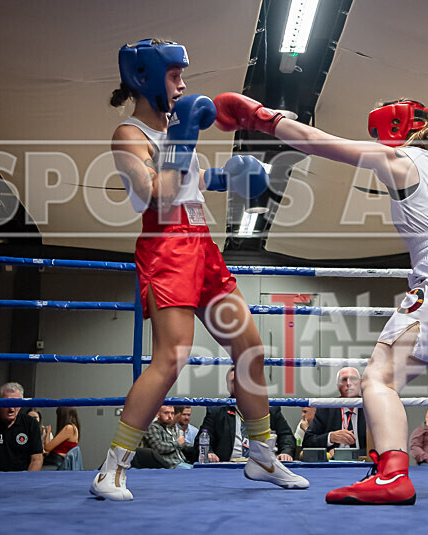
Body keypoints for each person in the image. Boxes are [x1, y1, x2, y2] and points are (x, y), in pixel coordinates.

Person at [213, 93, 428, 505]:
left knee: (378, 378)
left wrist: (262, 119)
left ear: (389, 131)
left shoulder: (395, 158)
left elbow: (317, 142)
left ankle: (392, 476)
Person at [90, 39, 307, 500]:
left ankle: (262, 456)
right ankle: (112, 468)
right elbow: (156, 195)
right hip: (167, 246)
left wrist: (227, 176)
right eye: (174, 75)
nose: (184, 84)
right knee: (170, 359)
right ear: (145, 78)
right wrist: (186, 136)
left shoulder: (173, 130)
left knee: (250, 348)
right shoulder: (128, 135)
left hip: (203, 245)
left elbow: (189, 183)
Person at [193, 367, 296, 462]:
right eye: (233, 381)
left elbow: (286, 436)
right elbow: (202, 439)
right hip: (228, 466)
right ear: (228, 386)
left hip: (263, 464)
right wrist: (209, 453)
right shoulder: (217, 410)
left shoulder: (270, 409)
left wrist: (285, 452)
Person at [303, 367, 366, 455]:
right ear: (338, 385)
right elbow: (307, 442)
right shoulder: (326, 408)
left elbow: (382, 443)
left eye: (353, 379)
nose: (348, 383)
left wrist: (351, 454)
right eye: (344, 380)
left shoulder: (371, 408)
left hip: (364, 461)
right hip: (333, 463)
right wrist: (330, 437)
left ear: (360, 383)